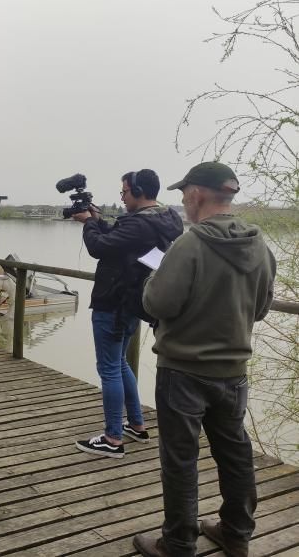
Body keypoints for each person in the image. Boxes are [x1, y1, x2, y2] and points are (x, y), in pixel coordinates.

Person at [133, 162, 275, 557]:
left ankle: (178, 543)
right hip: (234, 373)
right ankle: (236, 532)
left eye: (183, 194)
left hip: (183, 372)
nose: (182, 201)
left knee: (180, 460)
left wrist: (151, 279)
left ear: (196, 194)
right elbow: (260, 309)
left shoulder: (189, 245)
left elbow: (157, 302)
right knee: (235, 453)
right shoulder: (260, 246)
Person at [71, 169, 183, 458]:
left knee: (109, 368)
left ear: (138, 191)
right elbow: (121, 239)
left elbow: (99, 247)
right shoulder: (161, 220)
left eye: (124, 192)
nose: (121, 197)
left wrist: (87, 224)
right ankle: (136, 424)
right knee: (120, 363)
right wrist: (98, 221)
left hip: (114, 301)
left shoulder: (139, 225)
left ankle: (112, 439)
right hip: (134, 301)